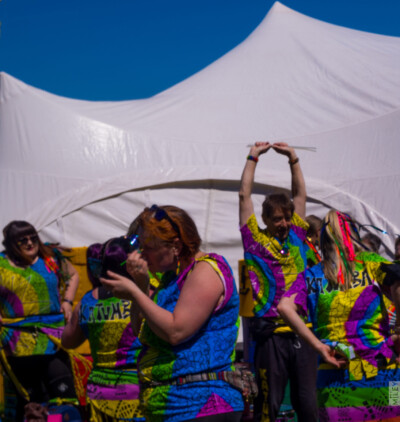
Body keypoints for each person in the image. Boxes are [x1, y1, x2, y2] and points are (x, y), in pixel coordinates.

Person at [101, 205, 244, 422]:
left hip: (203, 405)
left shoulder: (206, 270)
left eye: (147, 247)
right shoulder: (170, 278)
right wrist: (140, 285)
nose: (141, 254)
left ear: (175, 246)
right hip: (173, 406)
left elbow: (176, 331)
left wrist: (135, 294)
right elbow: (141, 330)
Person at [278, 210, 400, 422]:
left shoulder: (312, 275)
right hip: (386, 373)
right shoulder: (370, 262)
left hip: (334, 376)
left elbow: (284, 307)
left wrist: (318, 346)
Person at [239, 142, 318, 422]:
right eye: (277, 219)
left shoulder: (297, 234)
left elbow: (300, 194)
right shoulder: (254, 241)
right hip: (271, 334)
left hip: (302, 332)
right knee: (267, 405)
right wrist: (253, 157)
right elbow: (243, 195)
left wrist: (293, 158)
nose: (284, 223)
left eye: (286, 218)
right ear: (264, 219)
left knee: (308, 404)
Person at [0, 220, 79, 421]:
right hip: (18, 343)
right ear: (10, 244)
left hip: (53, 339)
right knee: (28, 403)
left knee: (62, 399)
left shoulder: (50, 258)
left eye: (33, 238)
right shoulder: (1, 264)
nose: (29, 243)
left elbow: (73, 274)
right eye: (22, 240)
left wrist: (68, 301)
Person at [62, 238, 144, 421]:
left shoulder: (87, 301)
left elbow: (68, 341)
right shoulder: (145, 294)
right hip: (137, 387)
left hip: (100, 391)